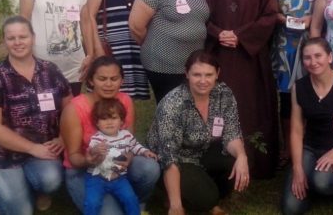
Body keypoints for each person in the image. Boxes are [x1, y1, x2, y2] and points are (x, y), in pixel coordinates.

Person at [0, 16, 71, 214]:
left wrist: (63, 137)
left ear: (33, 38)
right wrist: (33, 148)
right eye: (11, 38)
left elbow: (70, 107)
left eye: (23, 36)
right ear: (4, 41)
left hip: (43, 147)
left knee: (51, 180)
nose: (17, 42)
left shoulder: (50, 70)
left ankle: (34, 187)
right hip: (2, 153)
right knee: (22, 211)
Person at [204, 0, 279, 179]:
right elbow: (203, 17)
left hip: (251, 55)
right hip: (222, 56)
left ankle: (257, 163)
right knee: (223, 105)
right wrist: (217, 33)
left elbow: (270, 15)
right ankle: (223, 161)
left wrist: (241, 35)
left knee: (253, 106)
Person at [148, 50, 249, 215]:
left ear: (217, 74)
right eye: (197, 75)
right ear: (187, 74)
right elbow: (169, 157)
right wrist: (176, 206)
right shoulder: (172, 104)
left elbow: (231, 132)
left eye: (209, 74)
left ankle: (200, 192)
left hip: (202, 149)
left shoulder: (224, 94)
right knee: (206, 199)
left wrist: (242, 156)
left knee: (239, 160)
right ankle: (177, 195)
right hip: (176, 159)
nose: (203, 81)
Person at [271, 0, 333, 169]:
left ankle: (315, 144)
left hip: (317, 44)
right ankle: (289, 150)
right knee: (288, 99)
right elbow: (270, 8)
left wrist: (313, 20)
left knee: (318, 93)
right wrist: (285, 19)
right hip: (286, 45)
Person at [61, 56, 161, 214]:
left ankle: (138, 201)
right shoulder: (74, 109)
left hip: (116, 167)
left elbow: (128, 140)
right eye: (102, 79)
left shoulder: (125, 100)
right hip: (83, 171)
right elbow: (73, 157)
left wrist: (128, 157)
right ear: (91, 81)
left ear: (122, 80)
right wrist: (88, 159)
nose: (109, 84)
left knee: (150, 168)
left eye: (114, 79)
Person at [281, 38, 333, 214]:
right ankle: (310, 181)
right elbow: (296, 131)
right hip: (310, 148)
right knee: (291, 208)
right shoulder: (299, 88)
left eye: (318, 56)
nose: (313, 62)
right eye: (307, 58)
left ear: (330, 57)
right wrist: (297, 169)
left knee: (323, 183)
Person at [86, 0, 149, 99]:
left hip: (133, 49)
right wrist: (98, 49)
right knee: (107, 92)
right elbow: (89, 16)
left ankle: (125, 124)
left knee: (127, 97)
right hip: (111, 49)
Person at [84, 98, 156, 215]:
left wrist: (144, 152)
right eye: (104, 118)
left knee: (130, 199)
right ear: (97, 123)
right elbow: (91, 152)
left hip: (119, 178)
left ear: (122, 121)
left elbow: (135, 146)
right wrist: (95, 151)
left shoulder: (126, 135)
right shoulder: (97, 138)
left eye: (114, 118)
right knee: (92, 202)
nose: (109, 122)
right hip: (97, 178)